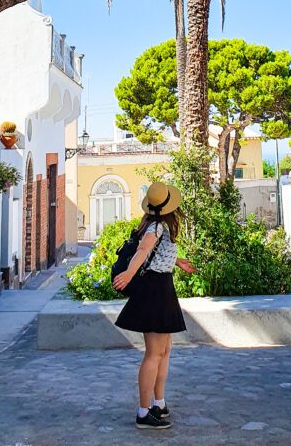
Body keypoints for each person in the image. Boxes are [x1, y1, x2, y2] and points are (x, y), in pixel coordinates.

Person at [113, 181, 196, 430]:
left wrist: (177, 261)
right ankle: (143, 411)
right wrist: (128, 274)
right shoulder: (156, 227)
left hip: (162, 286)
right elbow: (143, 251)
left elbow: (155, 254)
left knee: (164, 350)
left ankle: (158, 403)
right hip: (154, 290)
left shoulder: (159, 225)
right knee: (154, 353)